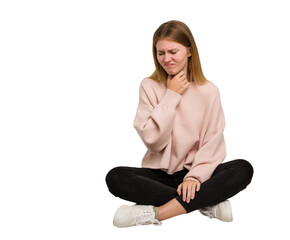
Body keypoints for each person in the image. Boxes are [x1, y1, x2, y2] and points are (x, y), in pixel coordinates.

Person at [105, 20, 254, 228]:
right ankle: (206, 202)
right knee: (115, 177)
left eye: (173, 51)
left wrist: (195, 178)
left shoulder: (209, 91)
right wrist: (171, 95)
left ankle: (159, 213)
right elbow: (153, 142)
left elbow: (212, 144)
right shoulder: (149, 86)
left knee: (243, 168)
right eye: (160, 53)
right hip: (159, 176)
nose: (166, 59)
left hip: (198, 176)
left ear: (189, 51)